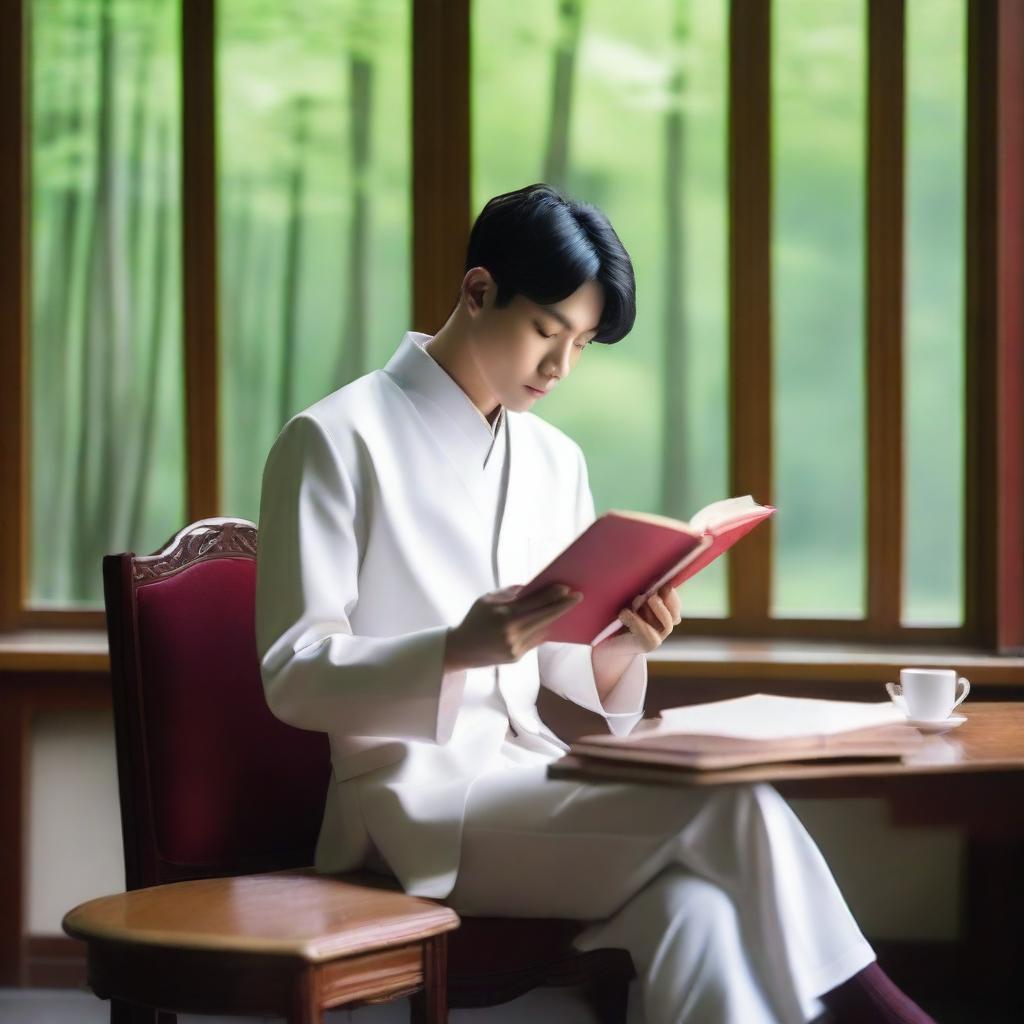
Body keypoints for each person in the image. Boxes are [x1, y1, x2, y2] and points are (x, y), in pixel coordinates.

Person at [255, 182, 937, 1024]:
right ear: (477, 291)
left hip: (529, 773)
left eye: (581, 343)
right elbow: (292, 673)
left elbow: (559, 663)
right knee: (727, 800)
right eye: (547, 331)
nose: (560, 368)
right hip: (413, 802)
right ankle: (879, 1012)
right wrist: (457, 648)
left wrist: (628, 641)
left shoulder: (552, 459)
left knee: (702, 919)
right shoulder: (333, 439)